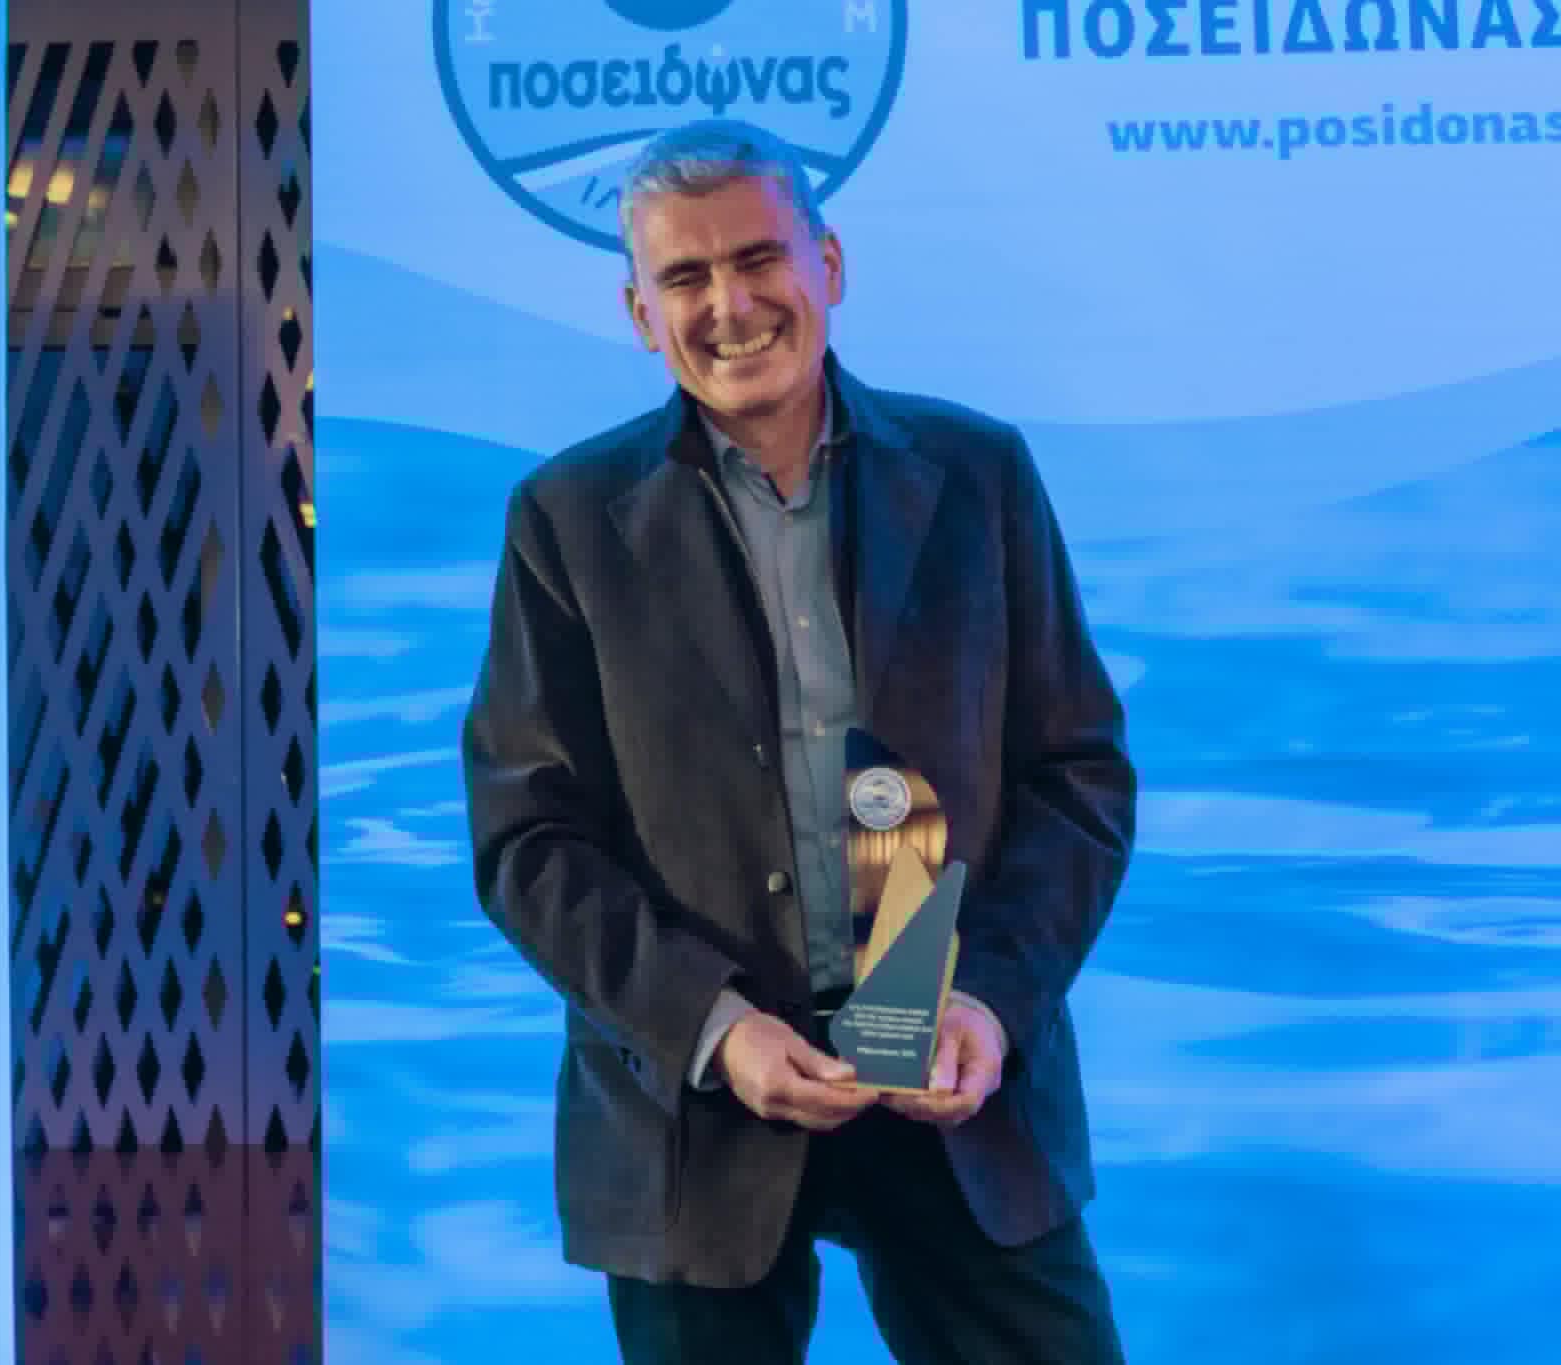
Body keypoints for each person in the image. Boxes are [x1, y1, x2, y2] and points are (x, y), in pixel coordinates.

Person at [460, 118, 1136, 1364]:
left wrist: (990, 1000)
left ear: (828, 264)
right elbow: (527, 841)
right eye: (685, 277)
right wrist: (713, 1027)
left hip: (954, 1079)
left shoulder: (979, 474)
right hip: (692, 1104)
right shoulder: (564, 520)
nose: (729, 305)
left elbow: (1073, 778)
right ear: (639, 314)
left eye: (757, 258)